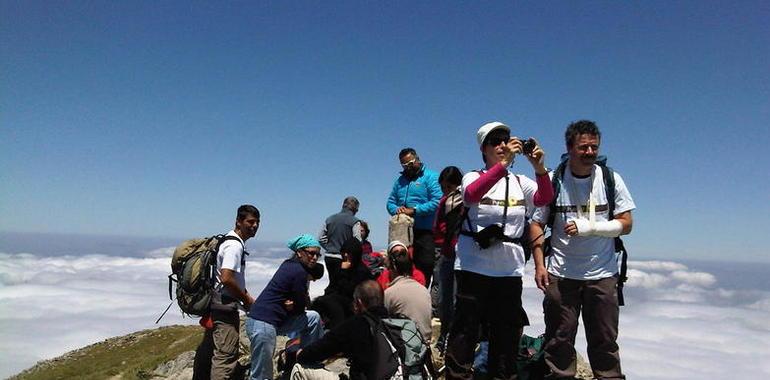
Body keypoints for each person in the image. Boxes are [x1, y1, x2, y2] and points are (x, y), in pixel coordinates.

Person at [445, 122, 554, 380]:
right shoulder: (472, 176)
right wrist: (502, 165)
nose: (502, 145)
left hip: (509, 271)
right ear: (483, 149)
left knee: (505, 335)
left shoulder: (520, 182)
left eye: (505, 139)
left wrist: (538, 166)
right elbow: (471, 195)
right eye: (495, 141)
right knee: (465, 332)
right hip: (473, 268)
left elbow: (543, 198)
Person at [531, 120, 635, 380]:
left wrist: (591, 228)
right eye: (583, 147)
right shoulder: (555, 180)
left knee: (605, 341)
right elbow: (537, 223)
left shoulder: (610, 179)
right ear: (569, 147)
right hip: (561, 274)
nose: (589, 152)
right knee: (559, 339)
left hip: (602, 274)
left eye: (594, 147)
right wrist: (540, 265)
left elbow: (626, 224)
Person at [193, 204, 260, 380]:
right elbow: (227, 278)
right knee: (226, 356)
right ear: (238, 221)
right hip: (225, 308)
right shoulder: (234, 246)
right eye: (250, 222)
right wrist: (247, 299)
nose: (254, 226)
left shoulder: (227, 240)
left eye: (257, 222)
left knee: (209, 352)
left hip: (215, 305)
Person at [245, 234, 326, 380]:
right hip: (264, 323)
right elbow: (300, 307)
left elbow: (299, 306)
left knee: (313, 317)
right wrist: (295, 306)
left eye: (317, 254)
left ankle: (306, 359)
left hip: (269, 322)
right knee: (261, 376)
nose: (314, 257)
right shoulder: (299, 271)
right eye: (311, 253)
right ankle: (307, 362)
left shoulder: (289, 264)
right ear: (299, 252)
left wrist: (294, 305)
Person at [292, 280, 392, 380]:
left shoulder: (356, 324)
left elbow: (321, 349)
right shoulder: (397, 324)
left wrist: (301, 354)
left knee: (299, 368)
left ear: (359, 302)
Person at [386, 148, 442, 288]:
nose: (408, 167)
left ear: (417, 159)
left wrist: (415, 210)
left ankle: (422, 294)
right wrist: (396, 210)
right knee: (401, 266)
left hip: (424, 231)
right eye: (404, 165)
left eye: (410, 163)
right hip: (402, 233)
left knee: (425, 266)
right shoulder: (400, 181)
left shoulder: (431, 177)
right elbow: (390, 202)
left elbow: (437, 201)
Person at [432, 166, 464, 353]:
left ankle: (453, 338)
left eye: (448, 187)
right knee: (446, 299)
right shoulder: (445, 202)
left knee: (455, 299)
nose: (445, 191)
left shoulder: (466, 201)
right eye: (443, 187)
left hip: (462, 257)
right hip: (448, 254)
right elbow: (438, 228)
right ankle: (445, 335)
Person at [312, 237, 374, 329]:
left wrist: (344, 272)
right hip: (338, 300)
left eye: (349, 253)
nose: (345, 255)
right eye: (344, 252)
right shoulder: (341, 266)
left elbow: (349, 289)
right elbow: (333, 286)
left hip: (353, 303)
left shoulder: (362, 271)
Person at [384, 244, 433, 342]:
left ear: (394, 268)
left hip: (404, 346)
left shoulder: (390, 293)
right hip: (424, 346)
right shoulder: (424, 291)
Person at [319, 196, 362, 284]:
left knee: (332, 283)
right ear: (355, 209)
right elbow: (357, 241)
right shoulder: (355, 221)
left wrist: (329, 247)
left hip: (329, 257)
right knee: (343, 284)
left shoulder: (329, 219)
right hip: (344, 259)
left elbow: (320, 238)